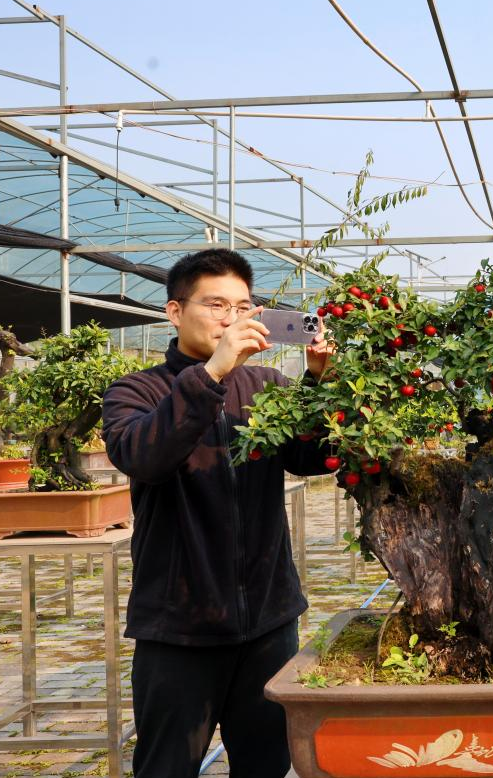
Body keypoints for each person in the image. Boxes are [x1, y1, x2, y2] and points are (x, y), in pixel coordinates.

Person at [102, 250, 336, 777]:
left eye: (243, 306)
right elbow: (145, 455)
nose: (231, 318)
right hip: (179, 629)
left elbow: (310, 458)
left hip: (268, 622)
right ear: (174, 311)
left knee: (266, 763)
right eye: (215, 305)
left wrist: (318, 382)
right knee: (167, 767)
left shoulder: (266, 387)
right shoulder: (136, 392)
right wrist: (211, 373)